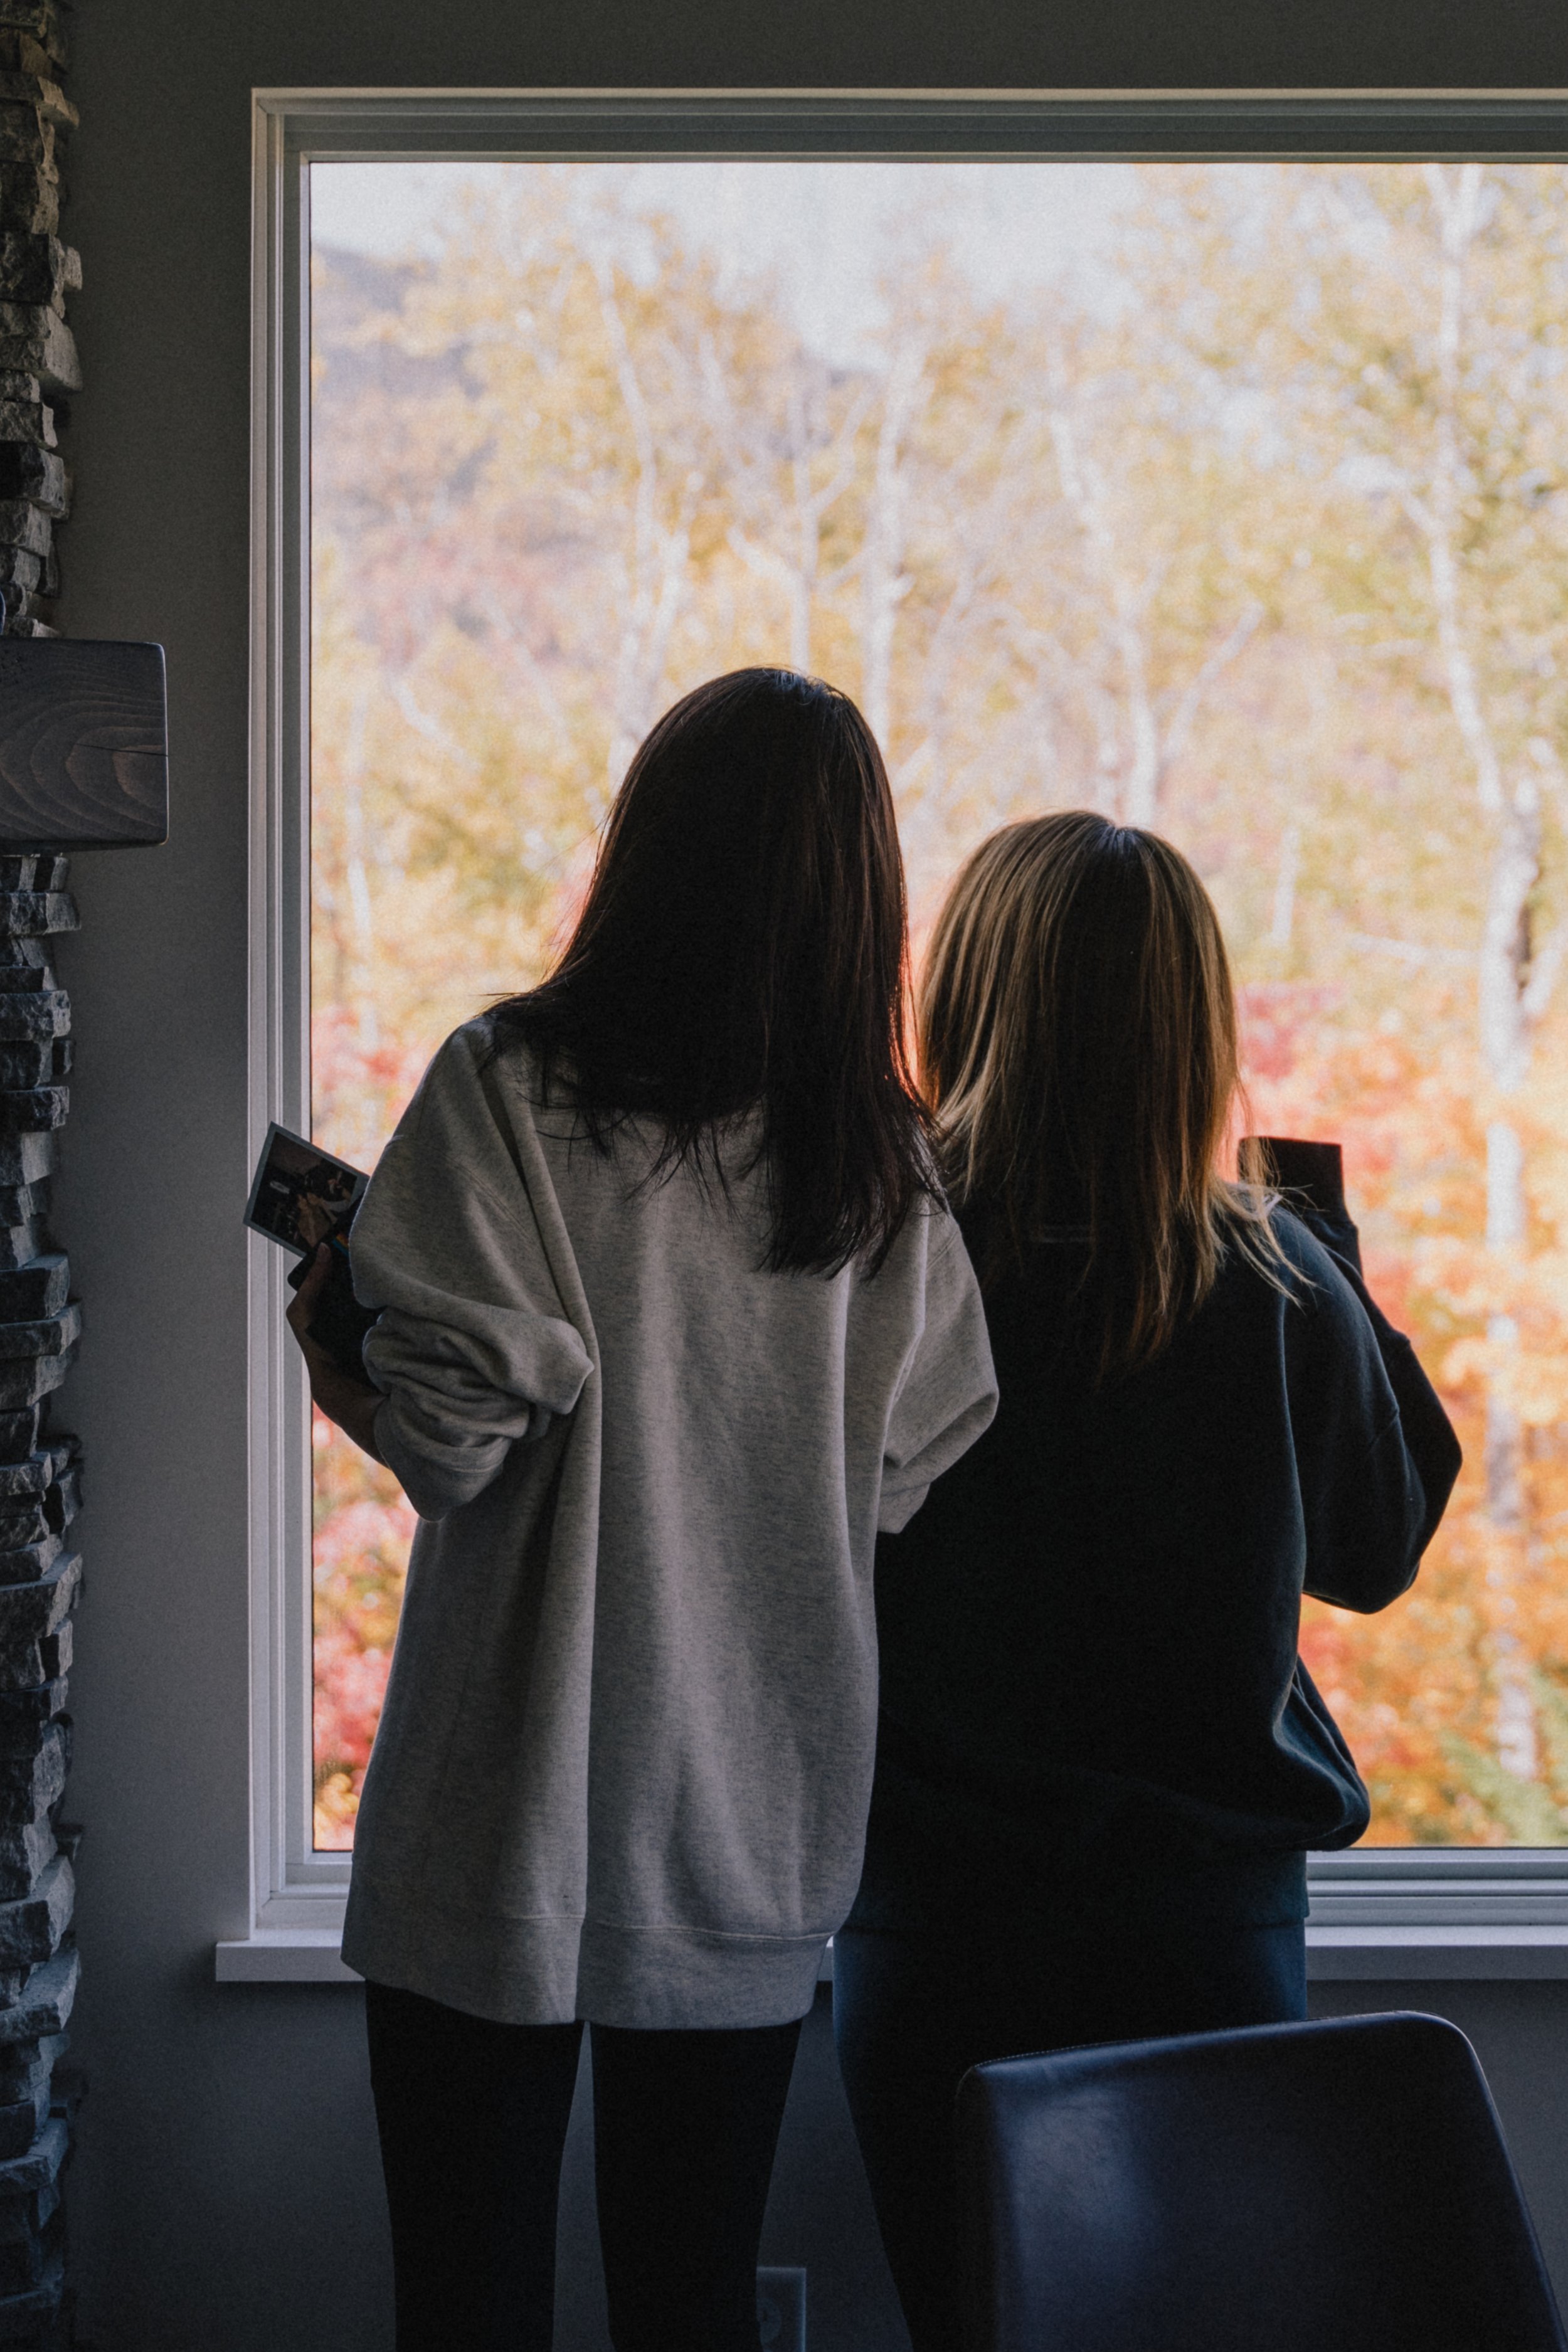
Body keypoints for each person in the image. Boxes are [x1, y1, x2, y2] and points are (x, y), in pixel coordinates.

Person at [286, 668, 998, 2352]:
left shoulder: (505, 1087)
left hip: (497, 1815)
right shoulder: (884, 1171)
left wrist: (343, 1341)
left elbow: (453, 1447)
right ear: (860, 892)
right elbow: (904, 1469)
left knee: (465, 2307)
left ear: (646, 848)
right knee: (690, 2305)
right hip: (745, 1820)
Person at [833, 811, 1461, 2352]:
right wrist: (1333, 1258)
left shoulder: (874, 1268)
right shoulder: (1267, 1277)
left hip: (936, 1924)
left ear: (968, 996)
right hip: (1203, 1930)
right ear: (1194, 1023)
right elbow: (1379, 1552)